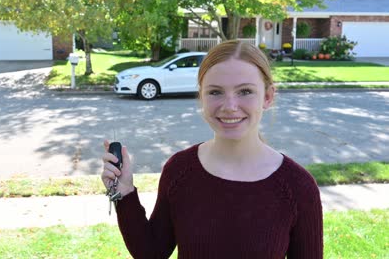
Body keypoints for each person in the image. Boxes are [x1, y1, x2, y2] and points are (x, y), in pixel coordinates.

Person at [101, 40, 323, 258]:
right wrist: (125, 192)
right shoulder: (179, 171)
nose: (229, 106)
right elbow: (151, 252)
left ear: (267, 97)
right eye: (215, 92)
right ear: (201, 97)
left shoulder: (298, 187)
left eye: (245, 91)